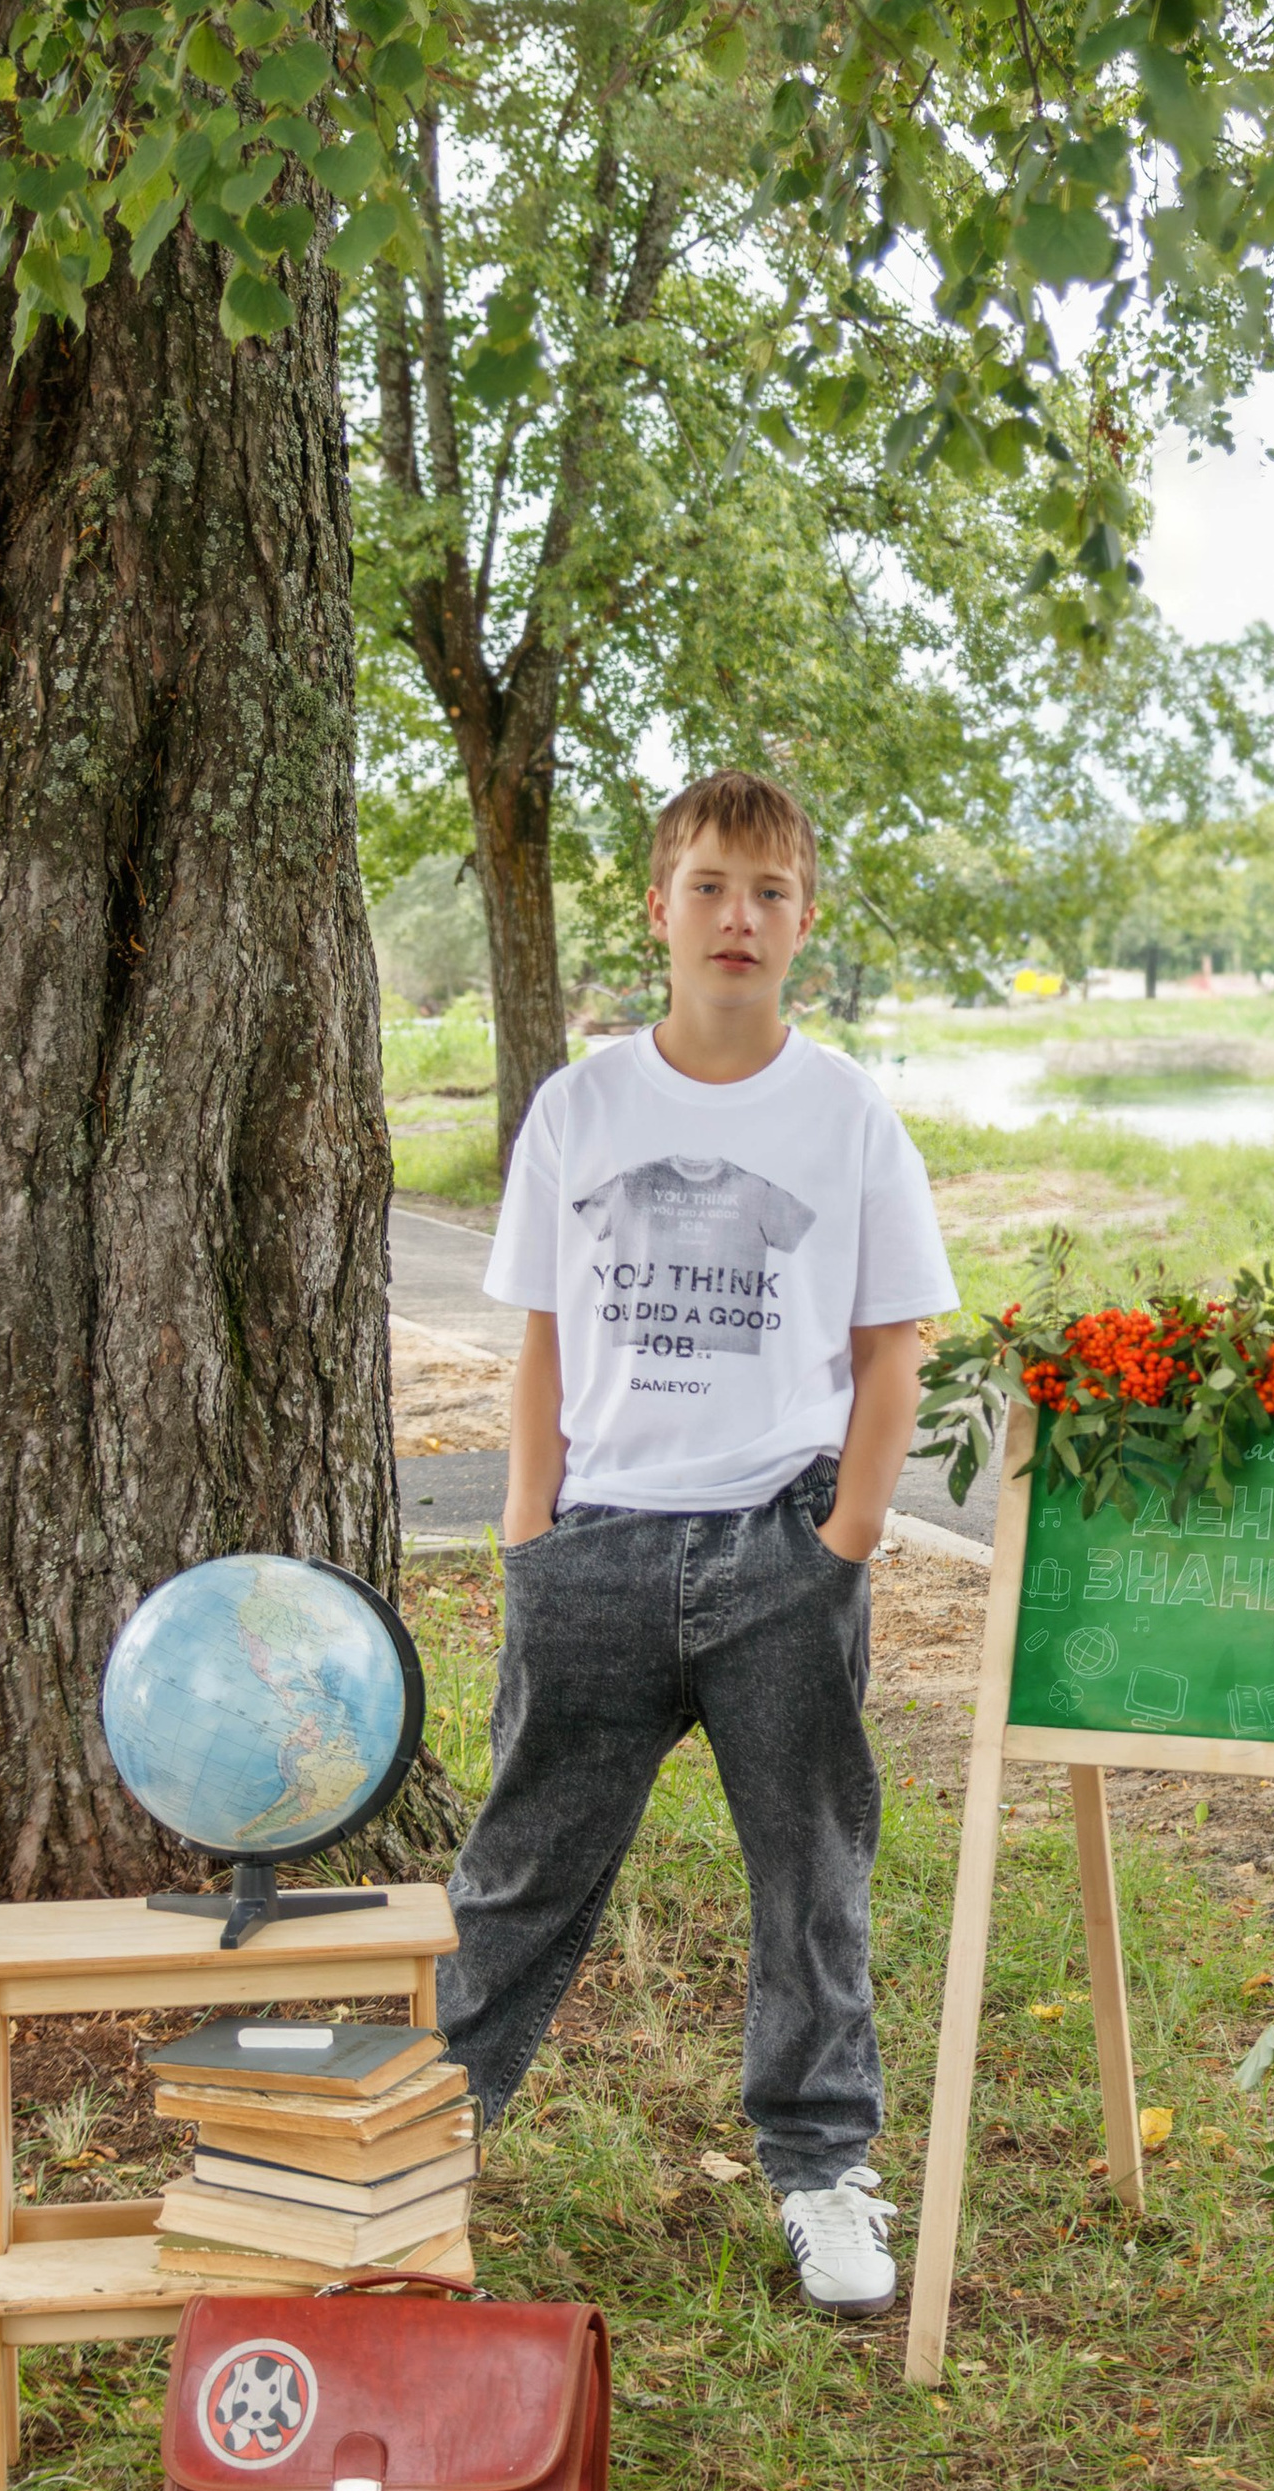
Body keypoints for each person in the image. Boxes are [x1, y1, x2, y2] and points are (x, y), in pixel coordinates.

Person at [436, 768, 956, 2317]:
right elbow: (537, 1336)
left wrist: (847, 1541)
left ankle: (822, 2173)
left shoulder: (844, 1110)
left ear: (807, 921)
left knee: (810, 1873)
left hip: (778, 1551)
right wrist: (531, 1525)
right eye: (712, 886)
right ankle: (429, 2147)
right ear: (659, 904)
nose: (740, 918)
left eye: (773, 893)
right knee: (518, 1867)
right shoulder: (583, 1106)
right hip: (594, 1543)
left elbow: (893, 1348)